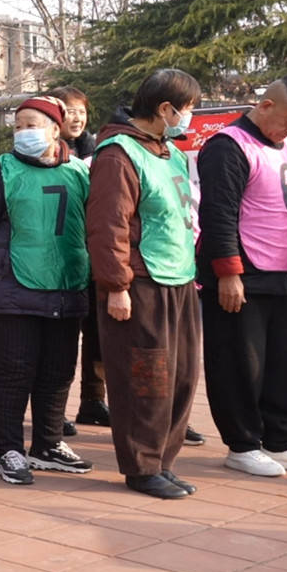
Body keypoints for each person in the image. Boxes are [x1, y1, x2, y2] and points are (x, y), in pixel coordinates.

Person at [198, 74, 287, 478]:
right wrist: (228, 273)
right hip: (241, 272)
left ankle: (281, 441)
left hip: (281, 271)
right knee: (240, 364)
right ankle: (242, 445)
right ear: (266, 106)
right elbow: (218, 214)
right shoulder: (227, 146)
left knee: (285, 363)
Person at [86, 68, 203, 499]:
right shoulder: (118, 154)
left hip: (180, 278)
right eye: (187, 109)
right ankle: (141, 466)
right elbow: (108, 226)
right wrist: (116, 285)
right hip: (141, 283)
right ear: (165, 109)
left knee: (182, 376)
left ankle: (163, 461)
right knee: (147, 379)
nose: (189, 117)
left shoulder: (170, 152)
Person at [0, 96, 93, 485]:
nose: (23, 132)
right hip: (13, 292)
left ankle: (47, 444)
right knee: (14, 371)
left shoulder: (79, 171)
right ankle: (8, 449)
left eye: (31, 125)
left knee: (58, 371)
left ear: (55, 129)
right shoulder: (1, 170)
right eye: (18, 126)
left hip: (67, 286)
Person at [49, 84, 107, 431]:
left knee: (98, 333)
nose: (77, 118)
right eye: (69, 111)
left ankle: (94, 401)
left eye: (81, 111)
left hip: (93, 254)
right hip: (59, 257)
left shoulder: (99, 152)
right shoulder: (45, 152)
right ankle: (53, 410)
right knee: (62, 337)